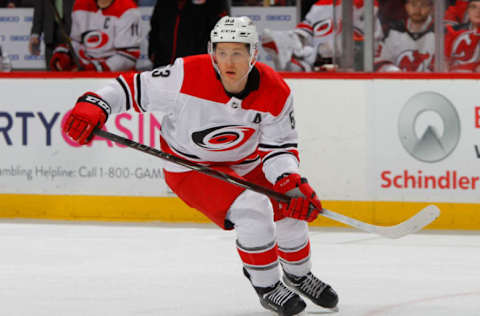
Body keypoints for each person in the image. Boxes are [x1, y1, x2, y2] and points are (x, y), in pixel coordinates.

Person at [62, 16, 338, 316]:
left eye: (237, 52)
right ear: (212, 52)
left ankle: (298, 274)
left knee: (291, 205)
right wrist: (93, 105)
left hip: (246, 163)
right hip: (190, 167)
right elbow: (127, 89)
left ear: (253, 53)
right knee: (254, 211)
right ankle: (268, 285)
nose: (228, 61)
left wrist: (288, 179)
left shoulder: (276, 91)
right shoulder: (184, 75)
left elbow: (278, 148)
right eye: (221, 52)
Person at [261, 0, 383, 71]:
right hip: (319, 69)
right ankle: (294, 52)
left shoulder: (368, 6)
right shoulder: (321, 5)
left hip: (354, 72)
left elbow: (371, 49)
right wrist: (294, 39)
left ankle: (303, 55)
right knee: (294, 65)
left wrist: (320, 52)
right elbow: (305, 33)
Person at [50, 0, 141, 71]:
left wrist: (95, 68)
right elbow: (76, 40)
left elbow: (128, 57)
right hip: (86, 72)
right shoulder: (81, 4)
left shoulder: (128, 9)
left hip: (115, 78)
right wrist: (64, 53)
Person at [148, 0, 228, 68]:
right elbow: (155, 27)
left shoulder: (213, 3)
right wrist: (152, 51)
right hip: (163, 64)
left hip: (195, 65)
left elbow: (220, 30)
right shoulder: (164, 3)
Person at [374, 0, 435, 72]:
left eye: (423, 5)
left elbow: (445, 66)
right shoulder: (394, 30)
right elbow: (381, 61)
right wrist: (395, 72)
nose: (417, 9)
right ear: (406, 6)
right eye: (413, 4)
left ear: (431, 7)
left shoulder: (441, 32)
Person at [29, 0, 75, 70]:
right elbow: (38, 12)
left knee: (70, 72)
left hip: (71, 35)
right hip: (50, 35)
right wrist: (35, 34)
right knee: (51, 71)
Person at [445, 0, 480, 72]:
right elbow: (443, 61)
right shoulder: (454, 34)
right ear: (468, 11)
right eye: (473, 7)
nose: (478, 11)